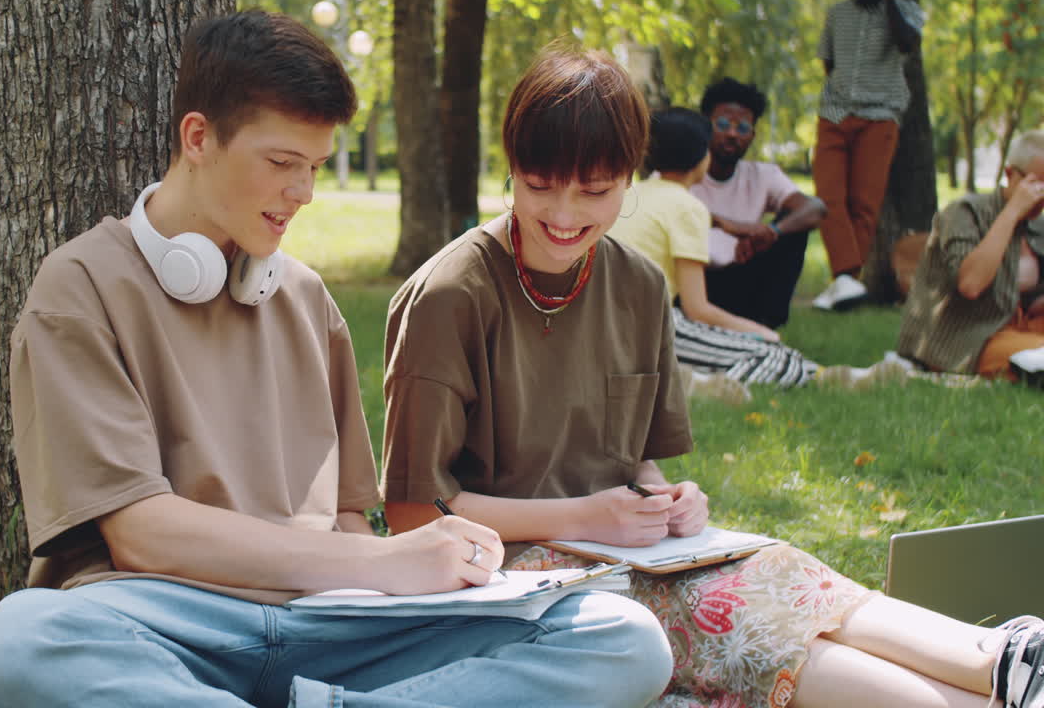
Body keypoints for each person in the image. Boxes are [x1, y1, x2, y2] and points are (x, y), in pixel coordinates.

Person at [0, 11, 673, 708]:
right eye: (282, 164)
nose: (302, 194)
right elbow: (142, 535)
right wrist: (384, 560)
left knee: (621, 638)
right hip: (168, 620)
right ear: (198, 138)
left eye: (314, 168)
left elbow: (346, 517)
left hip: (332, 620)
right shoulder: (79, 289)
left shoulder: (303, 297)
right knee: (21, 640)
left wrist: (402, 582)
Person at [382, 42, 1044, 708]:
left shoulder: (638, 285)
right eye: (539, 185)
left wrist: (663, 498)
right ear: (511, 168)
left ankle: (1002, 660)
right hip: (506, 576)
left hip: (620, 550)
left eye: (595, 191)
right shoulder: (450, 296)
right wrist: (589, 517)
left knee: (779, 566)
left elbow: (633, 461)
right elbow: (414, 514)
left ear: (630, 179)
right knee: (725, 613)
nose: (563, 214)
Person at [614, 106, 819, 389]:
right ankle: (696, 387)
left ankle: (832, 376)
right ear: (703, 157)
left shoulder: (629, 195)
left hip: (606, 324)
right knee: (778, 356)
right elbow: (697, 309)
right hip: (648, 327)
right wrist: (760, 332)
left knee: (776, 355)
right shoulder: (688, 207)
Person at [896, 129, 1044, 383]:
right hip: (970, 337)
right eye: (1037, 184)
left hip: (1018, 326)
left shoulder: (1037, 226)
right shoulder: (965, 213)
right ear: (1010, 174)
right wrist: (1012, 212)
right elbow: (971, 284)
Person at [811, 0, 924, 311]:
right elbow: (829, 62)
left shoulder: (905, 12)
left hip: (880, 116)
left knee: (864, 204)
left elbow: (907, 44)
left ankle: (844, 281)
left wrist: (888, 2)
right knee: (826, 197)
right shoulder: (837, 13)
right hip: (835, 113)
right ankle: (846, 279)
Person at [690, 78, 827, 329]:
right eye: (723, 124)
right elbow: (658, 207)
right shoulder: (681, 172)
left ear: (752, 135)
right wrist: (726, 224)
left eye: (742, 128)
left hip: (743, 278)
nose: (732, 134)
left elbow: (815, 208)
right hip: (692, 284)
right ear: (705, 125)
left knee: (793, 228)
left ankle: (766, 327)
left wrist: (772, 232)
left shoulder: (762, 175)